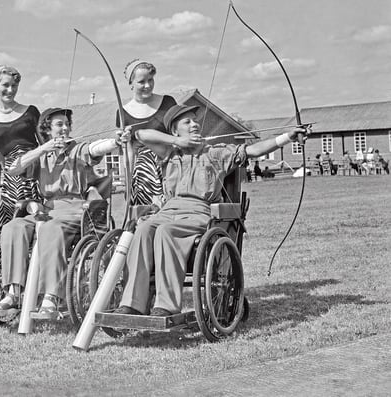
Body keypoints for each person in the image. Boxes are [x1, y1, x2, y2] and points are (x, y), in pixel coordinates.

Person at [114, 104, 309, 316]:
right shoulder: (169, 153)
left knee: (165, 232)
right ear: (174, 130)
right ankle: (132, 304)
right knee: (143, 231)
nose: (195, 124)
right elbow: (141, 134)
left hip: (198, 213)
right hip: (167, 210)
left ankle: (166, 306)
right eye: (187, 122)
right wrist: (177, 142)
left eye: (195, 121)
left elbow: (253, 150)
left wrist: (287, 137)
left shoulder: (215, 153)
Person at [0, 108, 131, 316]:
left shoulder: (77, 149)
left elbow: (96, 148)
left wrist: (116, 142)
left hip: (75, 208)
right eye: (59, 125)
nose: (64, 128)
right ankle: (13, 292)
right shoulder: (42, 154)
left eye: (67, 124)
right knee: (13, 226)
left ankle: (51, 296)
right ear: (47, 129)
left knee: (50, 228)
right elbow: (13, 169)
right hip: (46, 208)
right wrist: (42, 149)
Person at [0, 66, 42, 227]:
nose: (10, 90)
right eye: (5, 85)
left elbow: (44, 144)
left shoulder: (31, 112)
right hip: (9, 176)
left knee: (34, 217)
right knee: (10, 221)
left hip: (33, 170)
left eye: (14, 86)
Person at [118, 59, 177, 206]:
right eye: (141, 81)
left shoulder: (168, 103)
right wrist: (128, 180)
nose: (147, 85)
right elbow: (129, 152)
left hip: (169, 165)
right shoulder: (123, 113)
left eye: (151, 80)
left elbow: (178, 135)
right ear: (131, 84)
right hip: (142, 175)